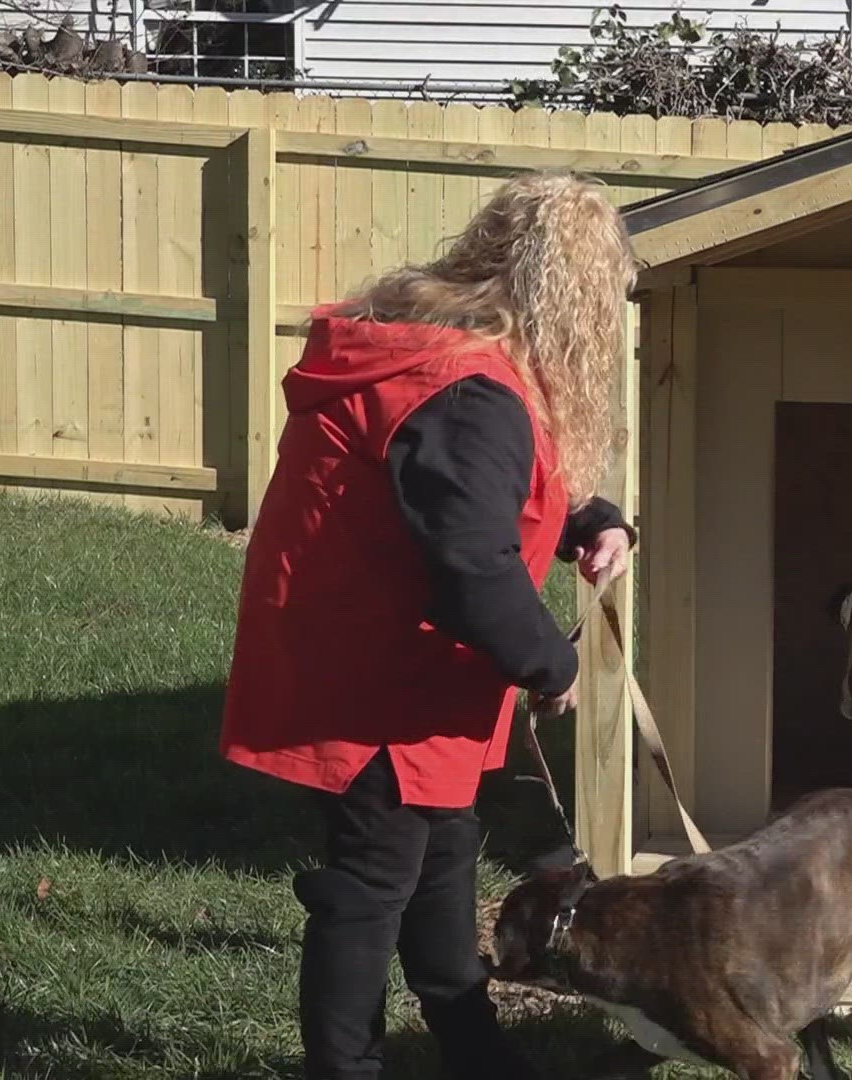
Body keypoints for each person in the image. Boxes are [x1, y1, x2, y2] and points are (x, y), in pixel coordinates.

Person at [218, 171, 638, 1080]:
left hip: (372, 656)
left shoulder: (437, 355)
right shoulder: (470, 389)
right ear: (576, 299)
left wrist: (590, 516)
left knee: (442, 857)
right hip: (386, 680)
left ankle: (474, 1049)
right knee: (367, 890)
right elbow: (469, 561)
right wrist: (546, 664)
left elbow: (461, 489)